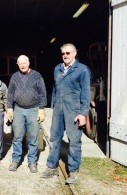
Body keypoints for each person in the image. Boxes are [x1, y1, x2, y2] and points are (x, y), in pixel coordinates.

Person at [42, 43, 91, 184]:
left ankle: (74, 171)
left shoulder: (82, 70)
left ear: (75, 53)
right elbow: (56, 88)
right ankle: (52, 166)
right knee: (54, 138)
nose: (65, 56)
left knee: (74, 141)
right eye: (63, 53)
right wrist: (53, 106)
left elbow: (86, 93)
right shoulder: (57, 68)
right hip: (58, 110)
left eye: (68, 53)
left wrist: (83, 113)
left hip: (73, 112)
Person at [6, 55, 47, 173]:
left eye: (24, 63)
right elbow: (10, 93)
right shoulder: (14, 76)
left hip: (33, 109)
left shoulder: (37, 76)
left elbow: (43, 92)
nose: (22, 65)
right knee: (17, 136)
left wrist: (42, 109)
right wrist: (9, 108)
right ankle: (15, 160)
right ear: (18, 65)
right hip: (18, 109)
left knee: (33, 137)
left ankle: (32, 161)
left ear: (29, 63)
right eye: (20, 63)